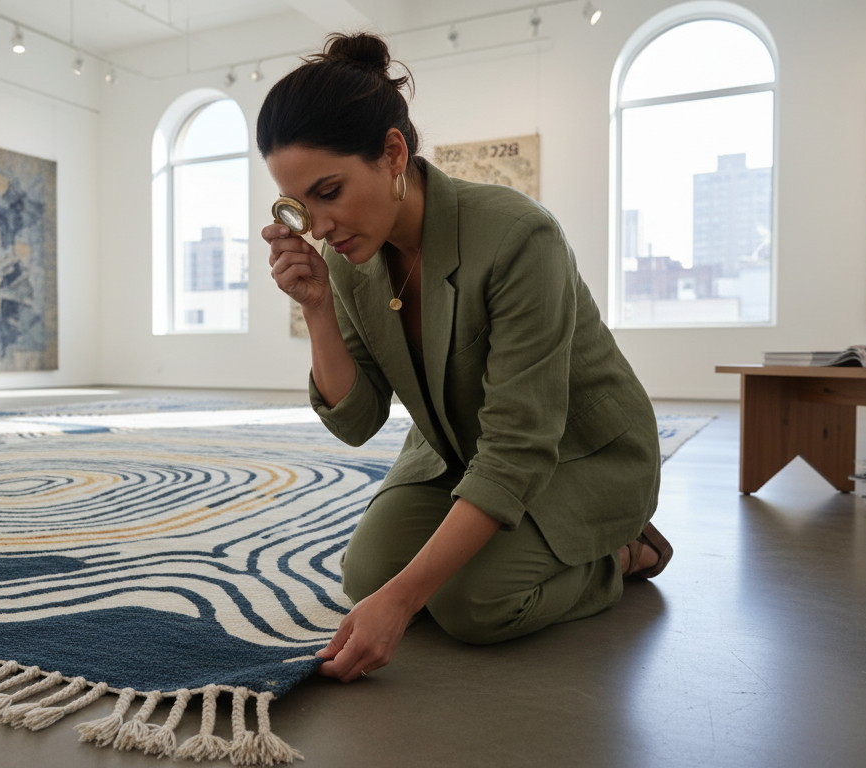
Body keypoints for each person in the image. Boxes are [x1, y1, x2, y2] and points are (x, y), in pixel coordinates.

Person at [257, 32, 671, 684]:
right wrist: (315, 308)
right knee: (366, 574)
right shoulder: (347, 262)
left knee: (472, 604)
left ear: (393, 153)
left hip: (574, 448)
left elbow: (518, 445)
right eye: (299, 206)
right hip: (453, 446)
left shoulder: (516, 235)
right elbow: (358, 419)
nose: (320, 225)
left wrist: (402, 602)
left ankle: (619, 554)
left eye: (329, 191)